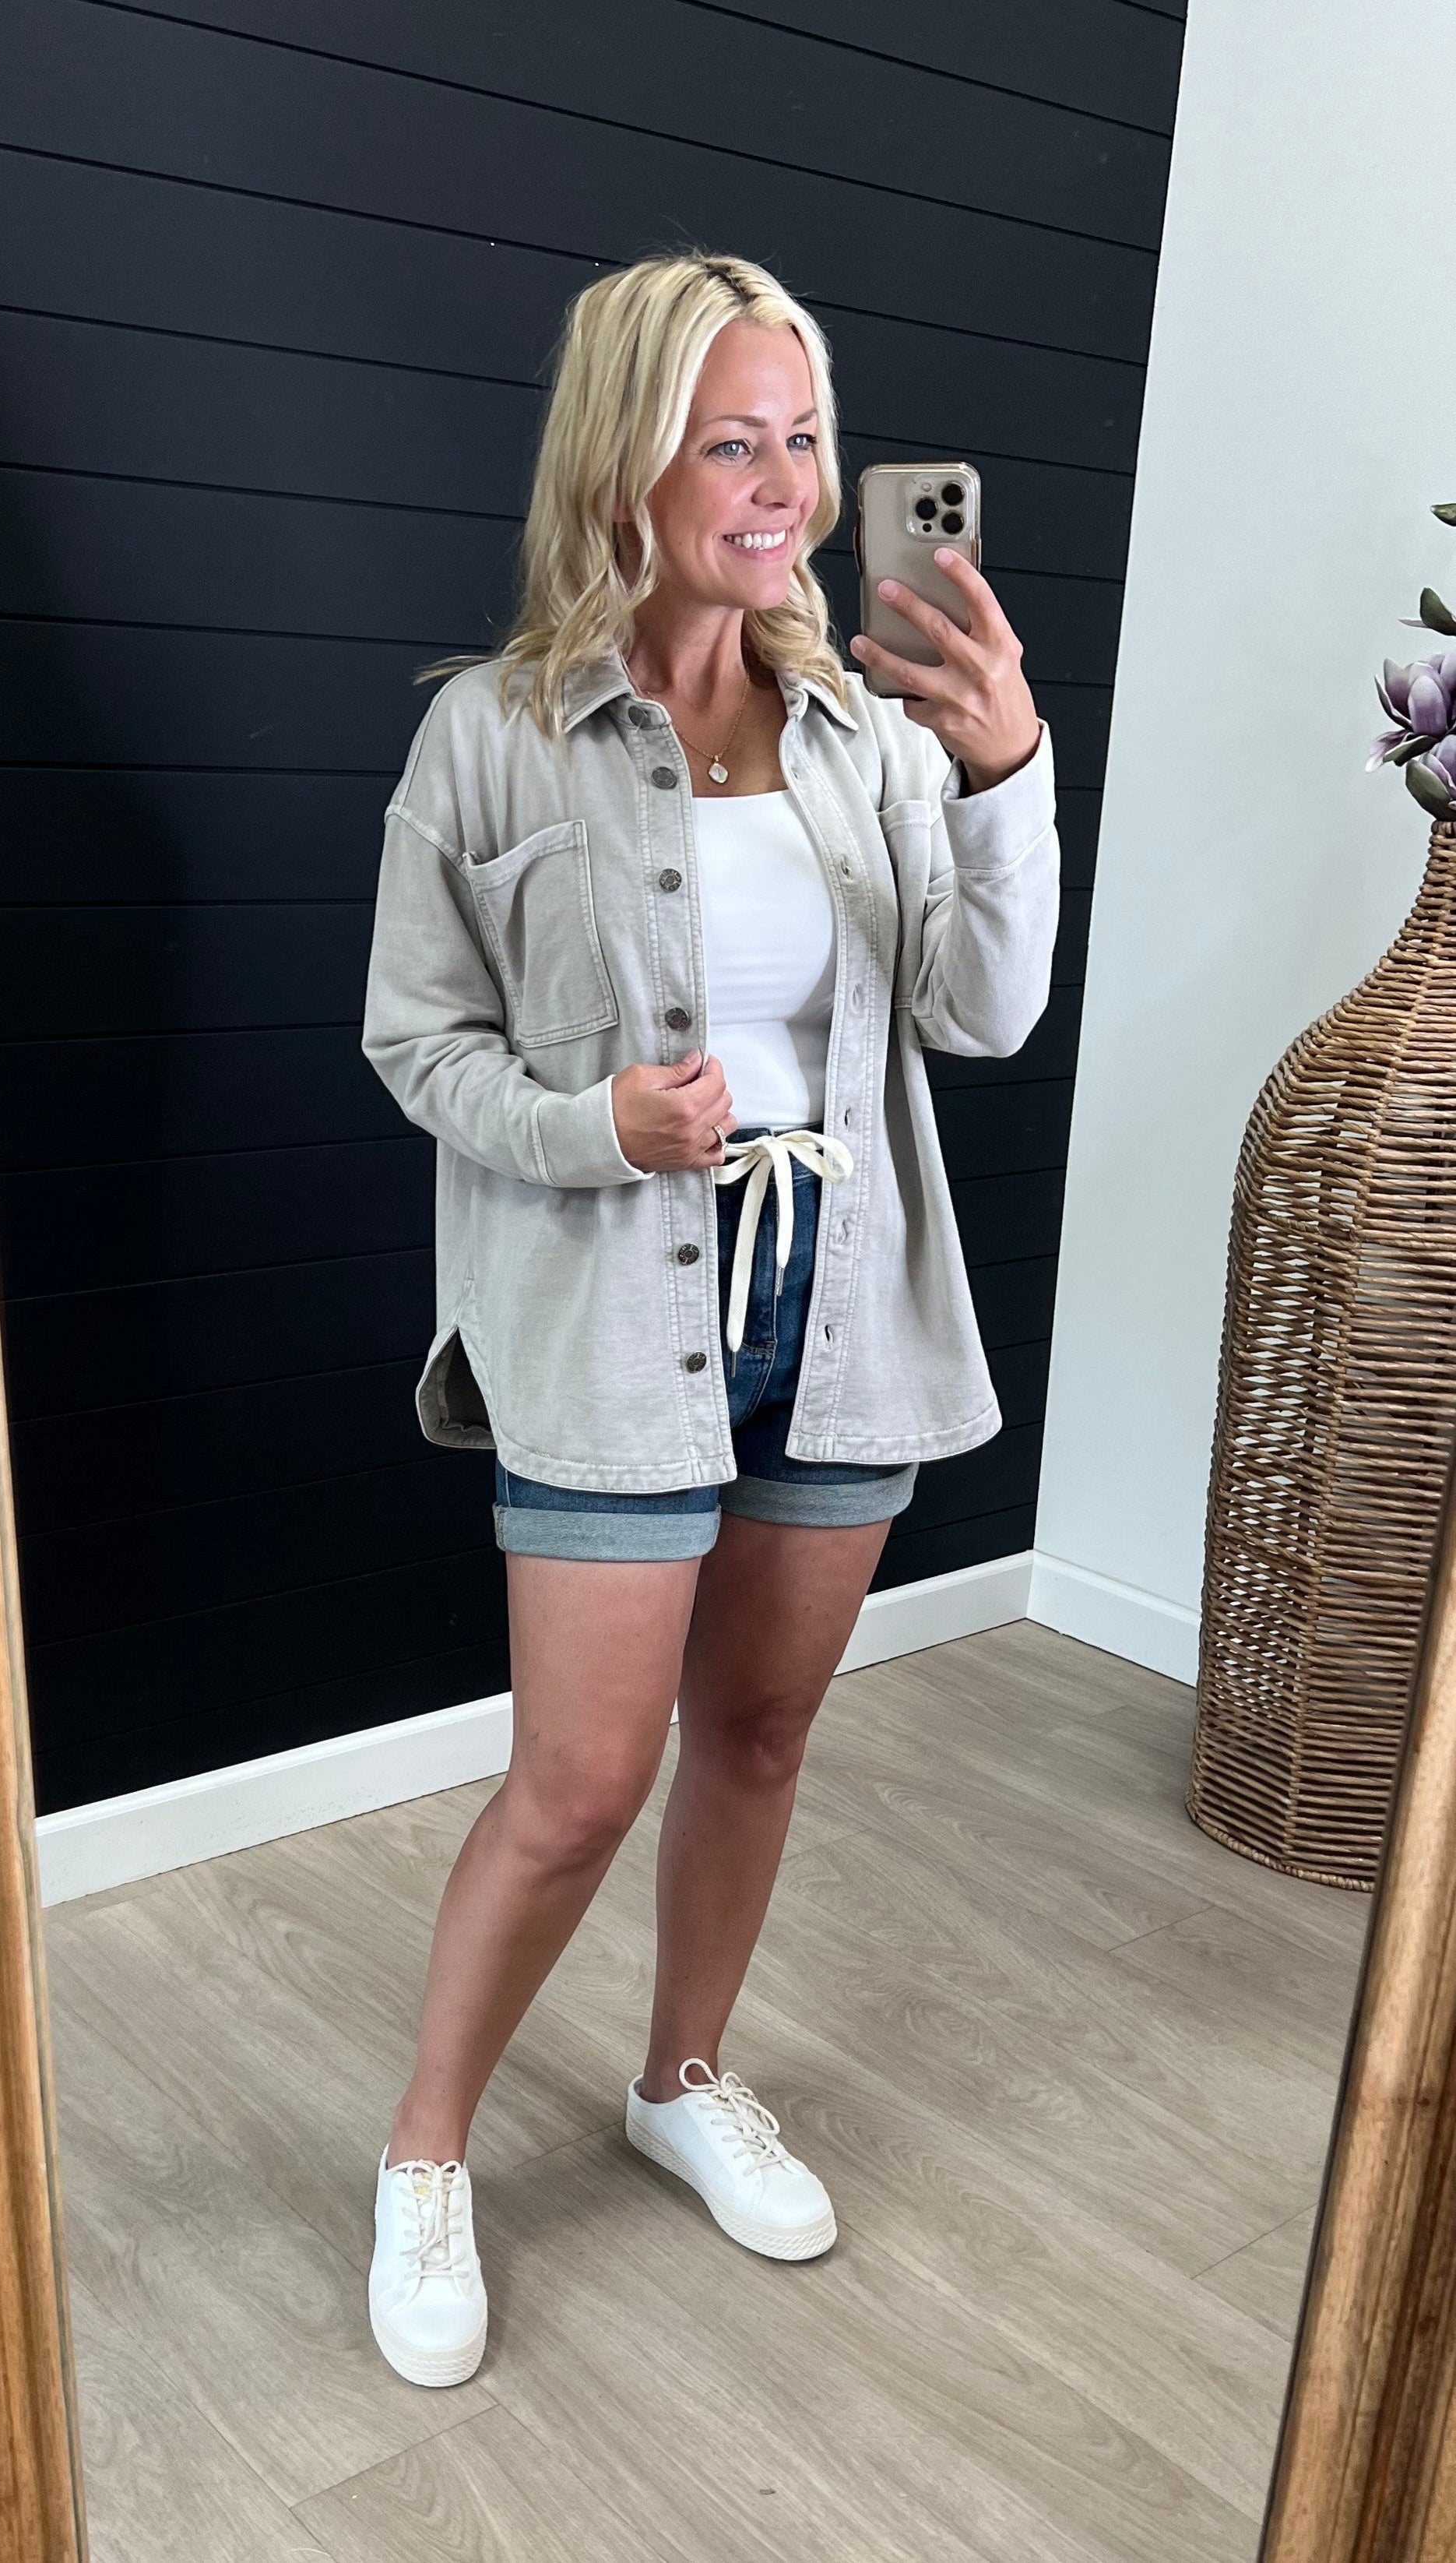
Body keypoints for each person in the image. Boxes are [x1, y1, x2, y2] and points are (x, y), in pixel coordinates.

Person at [359, 249, 1057, 2388]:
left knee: (758, 1736)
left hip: (839, 1314)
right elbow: (415, 1042)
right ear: (628, 464)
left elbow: (983, 1014)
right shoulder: (492, 736)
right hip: (603, 1322)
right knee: (576, 1785)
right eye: (732, 441)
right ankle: (424, 2155)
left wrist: (1008, 773)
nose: (784, 487)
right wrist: (597, 1129)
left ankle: (680, 2079)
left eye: (804, 441)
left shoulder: (874, 734)